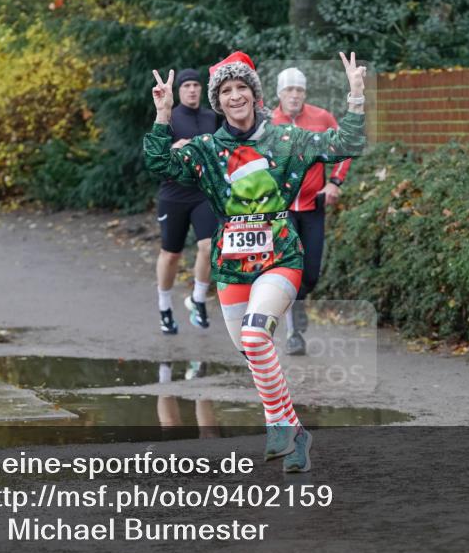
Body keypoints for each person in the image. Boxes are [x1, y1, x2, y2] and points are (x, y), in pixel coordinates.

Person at [144, 51, 367, 472]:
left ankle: (275, 425)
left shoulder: (284, 138)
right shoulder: (207, 149)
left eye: (241, 88)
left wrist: (355, 97)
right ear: (217, 101)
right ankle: (296, 432)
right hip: (231, 269)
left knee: (254, 336)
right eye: (225, 91)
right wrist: (162, 114)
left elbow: (345, 144)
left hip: (280, 258)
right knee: (254, 351)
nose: (234, 96)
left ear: (255, 94)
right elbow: (159, 163)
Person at [272, 68, 351, 355]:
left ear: (305, 93)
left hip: (313, 205)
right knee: (289, 267)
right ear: (279, 93)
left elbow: (346, 147)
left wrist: (334, 182)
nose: (294, 95)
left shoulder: (321, 118)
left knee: (312, 273)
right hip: (280, 210)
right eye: (289, 90)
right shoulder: (267, 121)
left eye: (299, 90)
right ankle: (294, 332)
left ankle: (295, 306)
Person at [154, 68, 220, 334]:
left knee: (208, 246)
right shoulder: (168, 116)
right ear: (179, 91)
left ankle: (198, 299)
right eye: (186, 86)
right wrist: (173, 148)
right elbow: (154, 155)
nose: (192, 90)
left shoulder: (210, 118)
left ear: (201, 89)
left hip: (202, 192)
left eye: (196, 85)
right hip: (173, 195)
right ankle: (164, 308)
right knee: (172, 254)